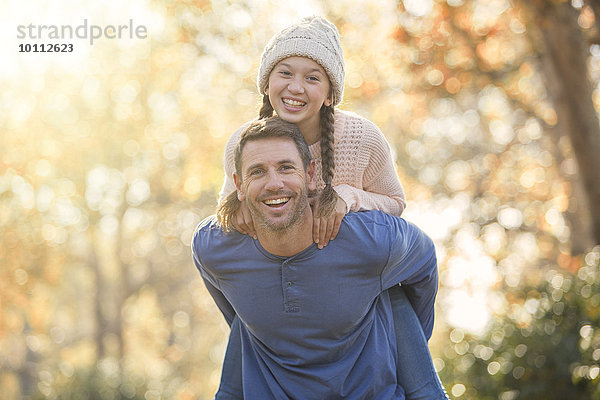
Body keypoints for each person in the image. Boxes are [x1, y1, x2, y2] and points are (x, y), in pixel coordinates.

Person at [214, 16, 447, 399]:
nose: (295, 87)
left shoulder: (361, 138)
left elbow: (395, 202)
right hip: (287, 296)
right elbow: (231, 212)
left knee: (392, 295)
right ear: (267, 82)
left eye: (312, 77)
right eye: (285, 72)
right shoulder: (245, 143)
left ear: (330, 92)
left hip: (357, 291)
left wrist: (346, 196)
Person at [193, 117, 446, 399]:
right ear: (238, 185)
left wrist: (407, 339)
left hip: (373, 392)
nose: (274, 183)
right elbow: (234, 307)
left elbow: (424, 267)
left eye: (286, 168)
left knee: (393, 296)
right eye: (258, 172)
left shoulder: (371, 242)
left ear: (311, 175)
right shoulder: (214, 246)